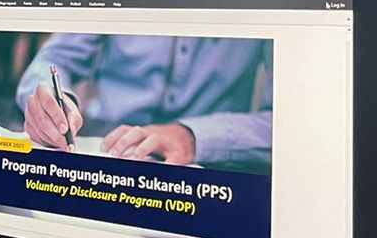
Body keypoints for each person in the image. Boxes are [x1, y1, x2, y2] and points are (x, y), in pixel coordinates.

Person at [18, 32, 272, 168]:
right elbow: (52, 61)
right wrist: (49, 102)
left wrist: (192, 136)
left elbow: (286, 124)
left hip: (211, 169)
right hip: (103, 146)